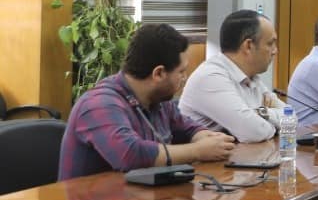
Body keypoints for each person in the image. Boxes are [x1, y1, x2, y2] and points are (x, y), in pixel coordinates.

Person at [59, 24, 236, 179]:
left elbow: (187, 128)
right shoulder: (99, 104)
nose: (185, 78)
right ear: (158, 73)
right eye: (181, 72)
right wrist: (198, 151)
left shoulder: (159, 100)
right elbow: (130, 155)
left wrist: (206, 137)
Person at [179, 10, 285, 143]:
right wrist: (269, 118)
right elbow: (253, 132)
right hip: (205, 157)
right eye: (270, 44)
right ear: (248, 46)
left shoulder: (251, 76)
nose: (275, 51)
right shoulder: (211, 77)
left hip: (243, 154)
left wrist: (261, 113)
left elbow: (291, 118)